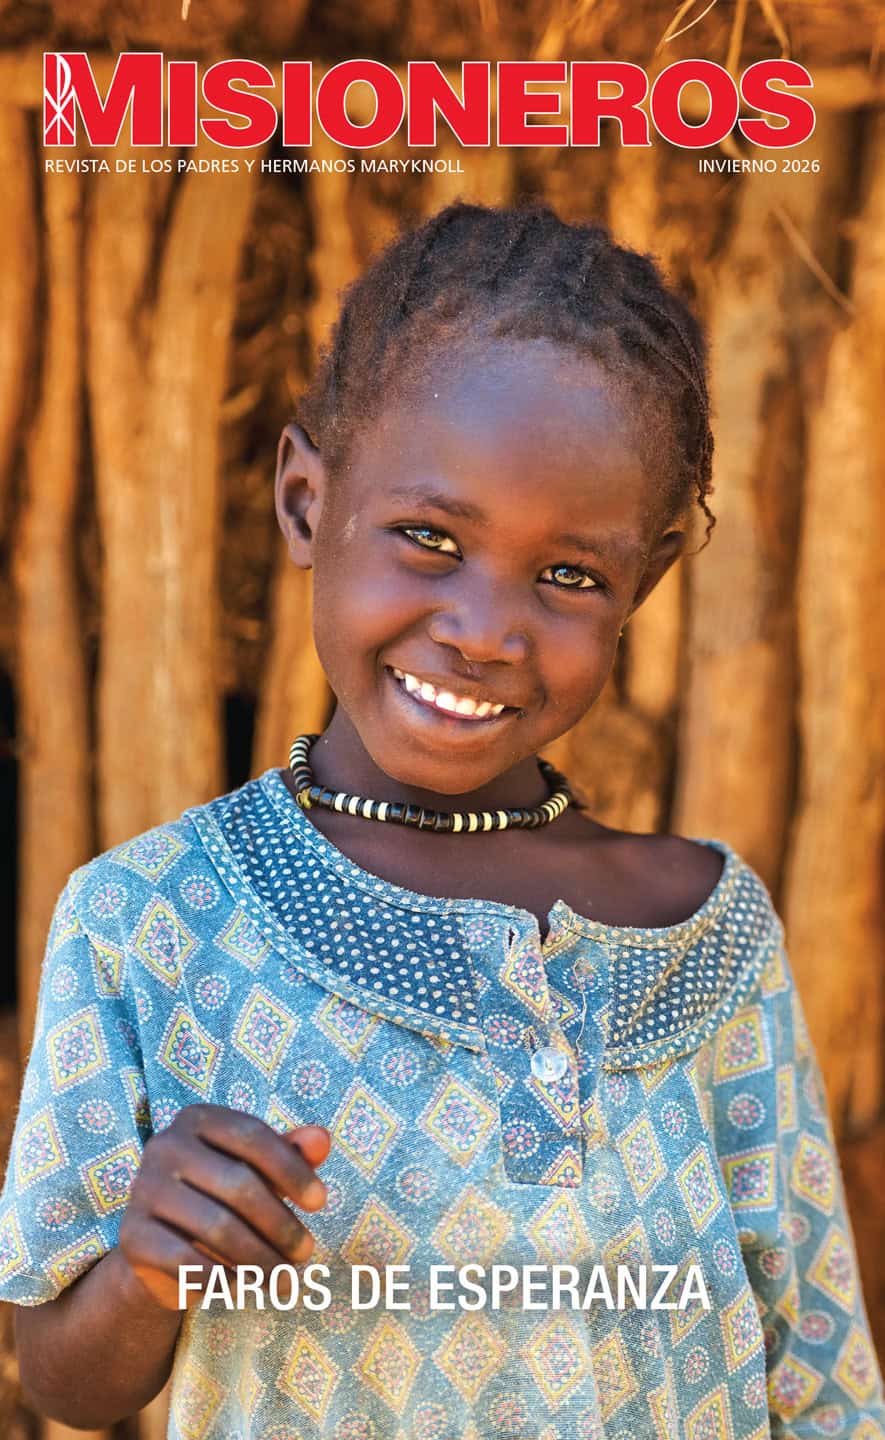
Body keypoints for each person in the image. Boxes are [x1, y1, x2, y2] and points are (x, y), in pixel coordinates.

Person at [1, 201, 882, 1440]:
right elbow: (60, 1376)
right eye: (429, 538)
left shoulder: (709, 933)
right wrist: (150, 1265)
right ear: (308, 504)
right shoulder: (151, 919)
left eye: (569, 576)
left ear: (651, 581)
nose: (484, 629)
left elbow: (817, 1363)